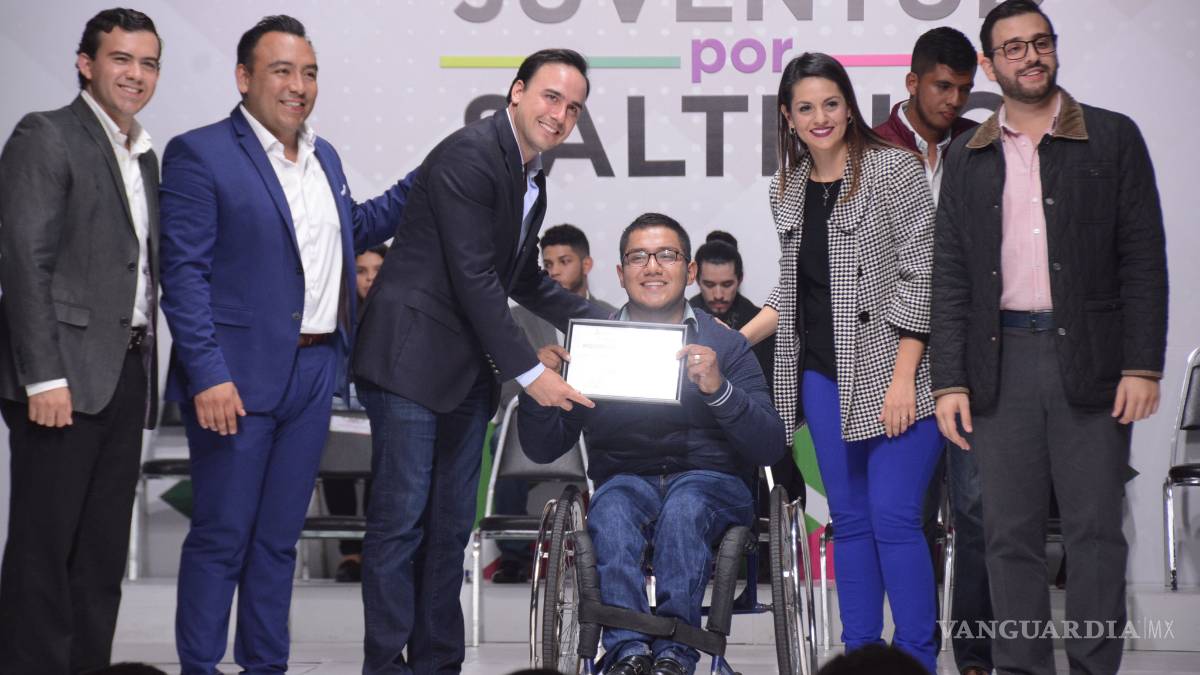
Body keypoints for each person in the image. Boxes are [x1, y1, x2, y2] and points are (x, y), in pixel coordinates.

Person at [159, 15, 412, 673]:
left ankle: (265, 665)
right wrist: (207, 373)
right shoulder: (200, 153)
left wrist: (430, 177)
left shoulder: (325, 157)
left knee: (277, 539)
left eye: (309, 73)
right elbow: (182, 275)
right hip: (235, 378)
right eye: (282, 71)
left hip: (316, 368)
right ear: (243, 77)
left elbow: (350, 230)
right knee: (222, 535)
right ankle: (199, 666)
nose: (298, 85)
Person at [351, 49, 610, 673]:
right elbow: (474, 278)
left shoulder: (530, 176)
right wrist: (531, 373)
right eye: (551, 97)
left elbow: (521, 278)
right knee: (399, 527)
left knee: (448, 531)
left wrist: (611, 319)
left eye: (574, 108)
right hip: (409, 364)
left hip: (465, 372)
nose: (561, 115)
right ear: (516, 92)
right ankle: (385, 666)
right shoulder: (470, 155)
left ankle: (438, 664)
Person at [931, 2, 1168, 673]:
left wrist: (1142, 364)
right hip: (1000, 362)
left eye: (1040, 42)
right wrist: (949, 380)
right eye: (1013, 47)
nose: (1030, 56)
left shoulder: (1113, 137)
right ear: (989, 65)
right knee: (1008, 535)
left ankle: (1094, 666)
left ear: (1054, 49)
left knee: (1095, 532)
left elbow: (1143, 257)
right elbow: (951, 274)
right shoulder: (967, 156)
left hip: (1090, 361)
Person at [739, 52, 942, 673]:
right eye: (805, 108)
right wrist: (735, 340)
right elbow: (793, 288)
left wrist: (903, 379)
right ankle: (859, 659)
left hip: (900, 374)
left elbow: (923, 276)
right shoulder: (787, 188)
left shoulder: (893, 169)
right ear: (788, 116)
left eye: (831, 103)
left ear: (849, 106)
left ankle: (915, 661)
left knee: (895, 518)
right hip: (824, 378)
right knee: (850, 522)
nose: (820, 117)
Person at [518, 213, 785, 675]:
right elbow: (544, 448)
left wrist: (720, 390)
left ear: (690, 270)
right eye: (638, 257)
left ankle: (675, 654)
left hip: (712, 482)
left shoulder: (725, 345)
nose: (653, 266)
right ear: (621, 274)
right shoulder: (594, 344)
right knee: (612, 509)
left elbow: (769, 447)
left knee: (686, 505)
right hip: (625, 478)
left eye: (667, 255)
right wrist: (539, 387)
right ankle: (628, 653)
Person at [0, 9, 162, 673]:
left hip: (125, 374)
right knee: (44, 554)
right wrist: (43, 376)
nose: (136, 74)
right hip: (60, 380)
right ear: (85, 64)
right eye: (121, 59)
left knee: (100, 557)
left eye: (148, 63)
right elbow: (24, 262)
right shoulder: (46, 135)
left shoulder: (143, 152)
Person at [874, 27, 992, 675]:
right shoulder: (869, 147)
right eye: (943, 86)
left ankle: (973, 654)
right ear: (912, 82)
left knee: (975, 510)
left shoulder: (982, 145)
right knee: (906, 514)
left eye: (964, 89)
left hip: (971, 359)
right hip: (895, 362)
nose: (954, 100)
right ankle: (912, 650)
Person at [491, 223, 617, 584]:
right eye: (547, 264)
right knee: (504, 436)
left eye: (564, 261)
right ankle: (512, 556)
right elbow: (504, 389)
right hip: (535, 418)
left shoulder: (611, 316)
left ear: (587, 264)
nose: (555, 271)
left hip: (592, 420)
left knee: (620, 439)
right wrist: (537, 376)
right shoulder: (515, 318)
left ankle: (609, 549)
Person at [323, 243, 390, 583]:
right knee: (335, 449)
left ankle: (376, 552)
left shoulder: (400, 315)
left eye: (377, 270)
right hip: (341, 416)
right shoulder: (335, 317)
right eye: (361, 271)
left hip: (383, 414)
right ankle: (351, 554)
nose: (369, 279)